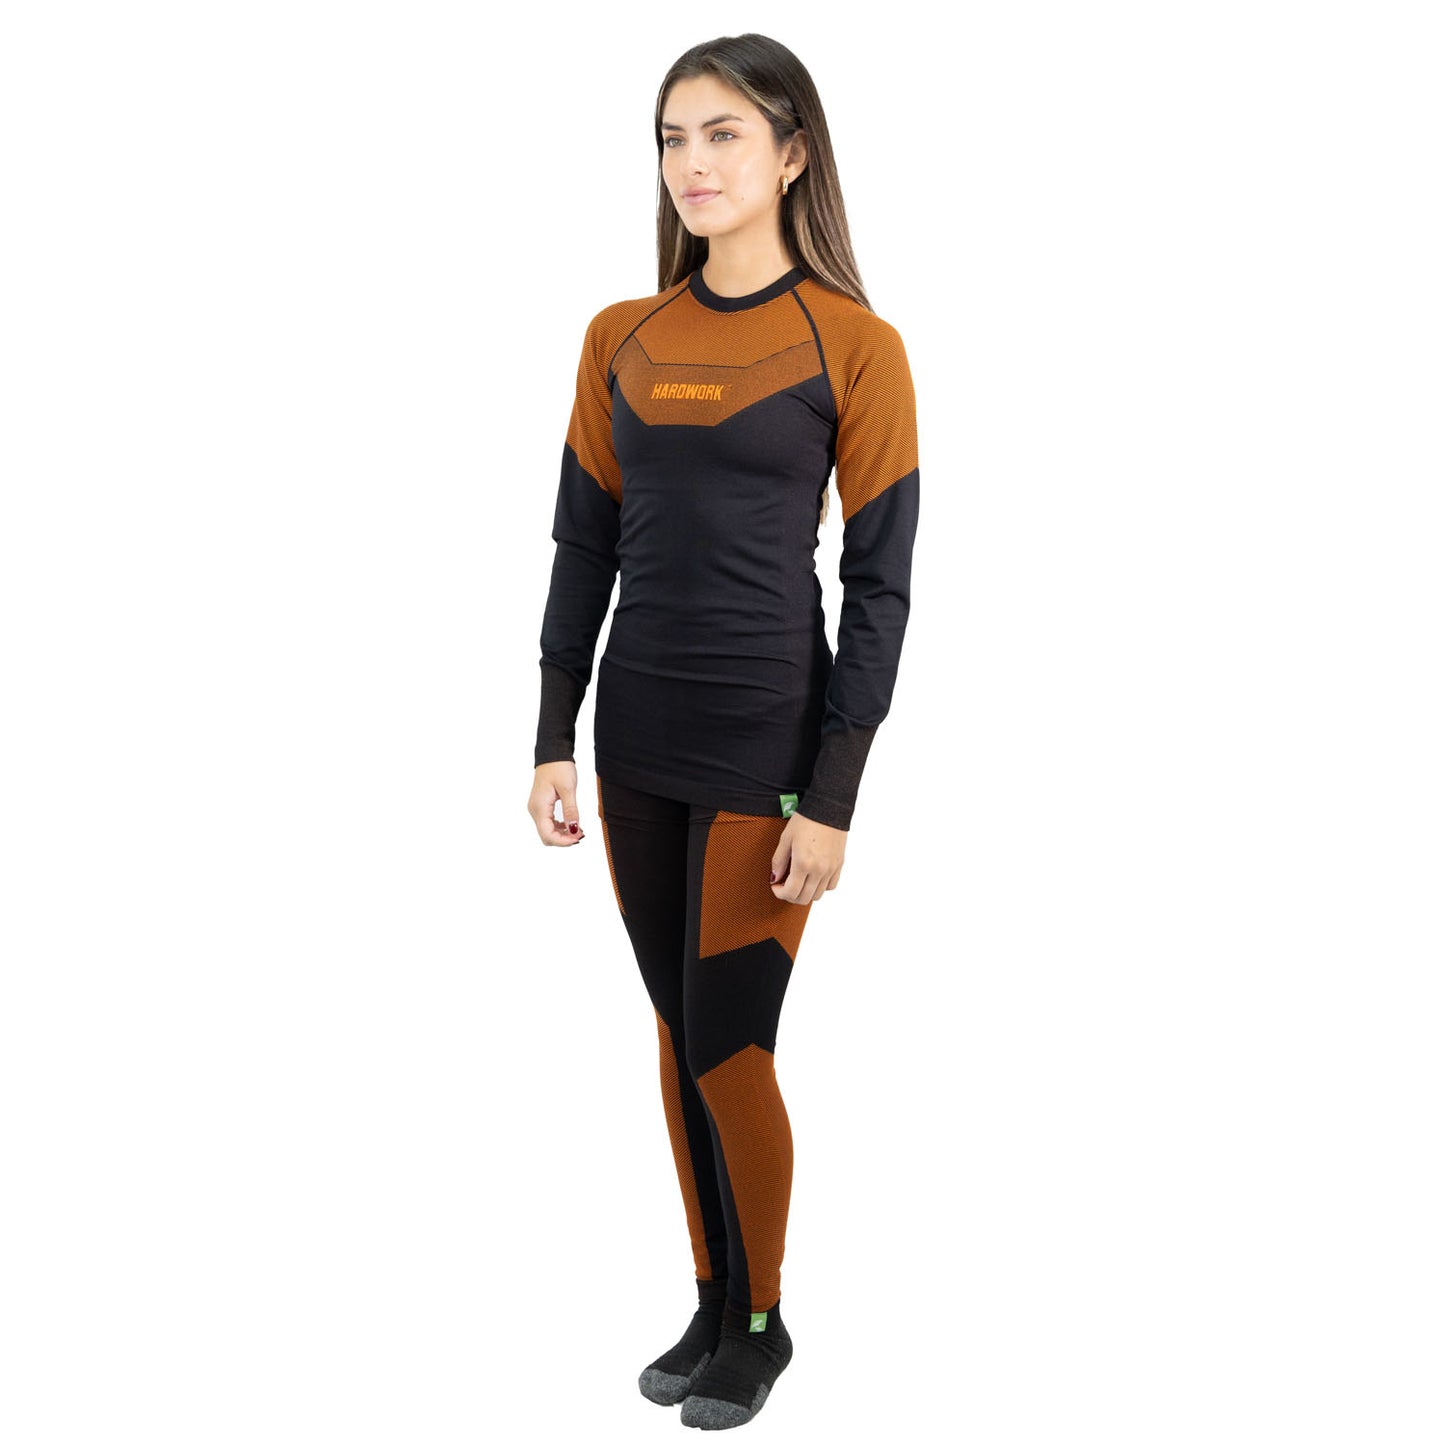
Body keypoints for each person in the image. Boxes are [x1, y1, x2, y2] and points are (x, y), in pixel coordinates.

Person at [526, 32, 919, 1431]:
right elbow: (583, 544)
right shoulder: (620, 339)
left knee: (729, 1047)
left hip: (767, 747)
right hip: (636, 741)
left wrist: (836, 794)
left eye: (724, 135)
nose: (691, 164)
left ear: (792, 154)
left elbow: (879, 586)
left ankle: (763, 1319)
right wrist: (552, 732)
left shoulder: (853, 345)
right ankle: (709, 1297)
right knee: (675, 1029)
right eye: (671, 138)